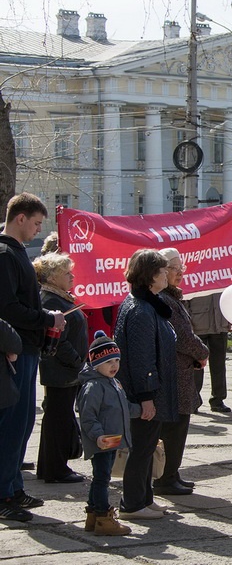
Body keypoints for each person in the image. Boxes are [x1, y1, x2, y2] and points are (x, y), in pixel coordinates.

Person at [0, 193, 66, 522]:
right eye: (37, 223)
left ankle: (12, 486)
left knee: (24, 423)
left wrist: (44, 317)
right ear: (20, 218)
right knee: (11, 424)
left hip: (25, 348)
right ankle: (3, 493)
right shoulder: (4, 254)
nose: (38, 229)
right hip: (12, 350)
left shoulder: (16, 254)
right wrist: (46, 318)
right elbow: (8, 308)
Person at [114, 249, 178, 520]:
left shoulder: (148, 302)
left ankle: (144, 497)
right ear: (151, 276)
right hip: (142, 392)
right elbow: (141, 359)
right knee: (141, 447)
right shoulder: (139, 310)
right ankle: (132, 503)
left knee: (149, 445)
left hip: (151, 390)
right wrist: (146, 396)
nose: (167, 274)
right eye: (163, 270)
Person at [152, 248, 209, 497]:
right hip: (174, 374)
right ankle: (165, 477)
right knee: (173, 427)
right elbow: (183, 338)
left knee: (179, 426)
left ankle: (172, 473)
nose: (180, 273)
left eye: (181, 268)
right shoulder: (164, 300)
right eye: (175, 268)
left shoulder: (172, 297)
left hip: (182, 371)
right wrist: (202, 352)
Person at [77, 332, 141, 536]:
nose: (114, 365)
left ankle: (93, 516)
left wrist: (141, 411)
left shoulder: (113, 382)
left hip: (111, 440)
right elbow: (87, 417)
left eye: (116, 360)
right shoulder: (93, 386)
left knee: (101, 477)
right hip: (102, 440)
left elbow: (122, 407)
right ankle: (104, 517)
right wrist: (98, 436)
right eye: (108, 362)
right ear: (96, 363)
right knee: (102, 478)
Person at [33, 253, 87, 484]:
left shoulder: (59, 297)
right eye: (66, 273)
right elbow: (58, 338)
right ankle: (56, 469)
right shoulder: (51, 300)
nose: (72, 276)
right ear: (53, 277)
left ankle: (51, 466)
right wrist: (76, 360)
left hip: (65, 369)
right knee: (59, 419)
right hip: (61, 369)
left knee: (59, 417)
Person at [185, 293, 230, 414]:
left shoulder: (222, 274)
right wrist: (188, 321)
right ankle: (194, 400)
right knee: (196, 366)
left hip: (220, 324)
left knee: (219, 365)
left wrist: (231, 317)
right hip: (197, 324)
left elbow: (230, 296)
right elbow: (185, 298)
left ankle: (218, 399)